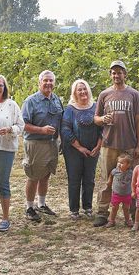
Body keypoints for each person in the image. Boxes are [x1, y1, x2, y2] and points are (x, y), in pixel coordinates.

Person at [93, 61, 139, 227]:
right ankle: (102, 212)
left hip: (129, 144)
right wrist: (102, 119)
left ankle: (134, 212)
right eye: (113, 72)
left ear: (125, 74)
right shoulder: (104, 94)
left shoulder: (133, 94)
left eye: (119, 72)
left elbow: (138, 120)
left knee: (132, 180)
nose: (116, 75)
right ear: (110, 75)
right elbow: (96, 118)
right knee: (107, 178)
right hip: (109, 144)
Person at [22, 70, 64, 221]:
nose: (48, 83)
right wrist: (41, 130)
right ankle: (29, 207)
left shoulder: (56, 99)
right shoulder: (31, 101)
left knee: (46, 174)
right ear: (39, 83)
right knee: (33, 175)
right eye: (45, 81)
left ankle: (42, 204)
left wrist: (59, 139)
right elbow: (23, 124)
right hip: (35, 143)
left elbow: (60, 120)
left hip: (52, 143)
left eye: (51, 81)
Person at [0, 75, 25, 232]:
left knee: (2, 182)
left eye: (0, 85)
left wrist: (9, 129)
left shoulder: (11, 105)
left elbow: (21, 126)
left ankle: (5, 218)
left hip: (5, 148)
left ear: (4, 87)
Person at [61, 79, 102, 220]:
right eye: (79, 89)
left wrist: (98, 145)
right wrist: (79, 147)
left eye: (85, 89)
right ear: (74, 92)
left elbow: (103, 128)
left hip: (93, 150)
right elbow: (65, 130)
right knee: (74, 179)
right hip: (73, 150)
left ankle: (88, 207)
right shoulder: (70, 109)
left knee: (89, 179)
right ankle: (74, 209)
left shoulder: (96, 106)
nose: (83, 92)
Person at [105, 153, 134, 228]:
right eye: (118, 162)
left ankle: (127, 220)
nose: (119, 164)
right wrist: (109, 181)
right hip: (116, 193)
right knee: (114, 208)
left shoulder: (131, 172)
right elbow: (111, 175)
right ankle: (112, 220)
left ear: (128, 165)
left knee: (126, 208)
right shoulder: (115, 171)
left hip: (127, 194)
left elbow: (134, 180)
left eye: (122, 163)